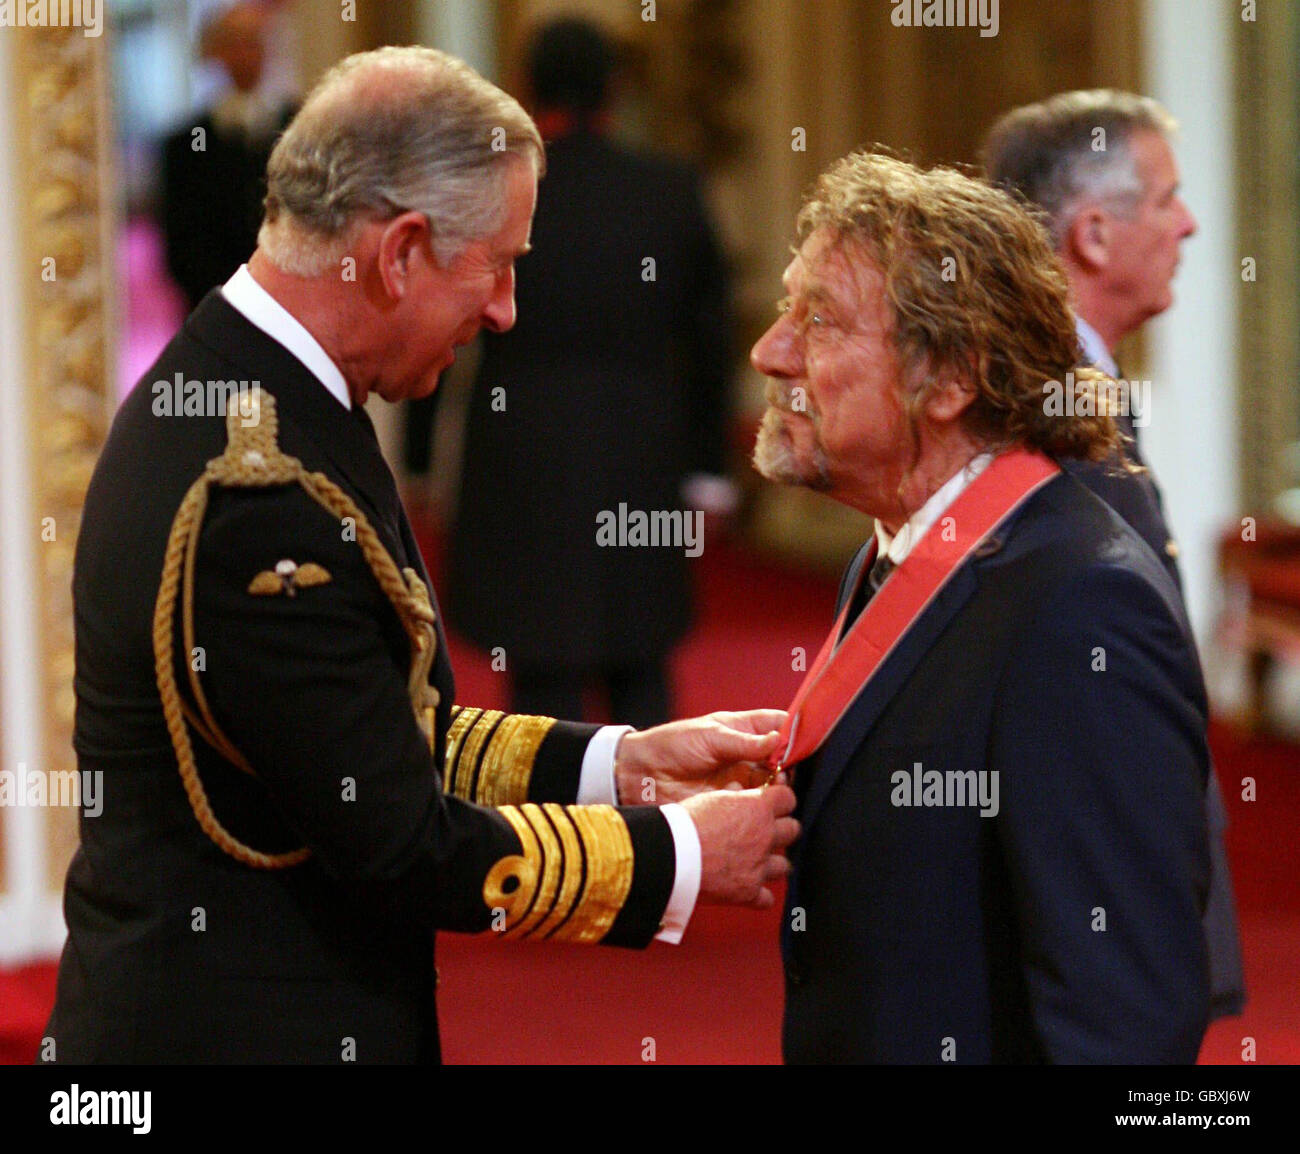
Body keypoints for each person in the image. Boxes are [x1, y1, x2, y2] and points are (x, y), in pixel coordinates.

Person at [43, 46, 797, 1064]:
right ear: (398, 252)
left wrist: (620, 764)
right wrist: (682, 854)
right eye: (499, 264)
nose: (504, 311)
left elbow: (378, 730)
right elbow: (397, 839)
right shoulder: (257, 489)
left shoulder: (273, 401)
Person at [751, 150, 1211, 1063]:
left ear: (953, 378)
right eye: (783, 309)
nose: (771, 352)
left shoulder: (1085, 607)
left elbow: (1126, 1020)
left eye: (820, 321)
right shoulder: (908, 547)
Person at [982, 89, 1246, 1020]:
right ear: (1093, 235)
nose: (1191, 222)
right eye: (1168, 197)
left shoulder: (1064, 384)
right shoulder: (1051, 406)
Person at [448, 17, 735, 728]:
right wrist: (709, 468)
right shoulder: (668, 188)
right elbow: (710, 337)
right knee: (642, 663)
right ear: (615, 88)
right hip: (639, 442)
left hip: (524, 445)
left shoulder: (495, 192)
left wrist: (424, 458)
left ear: (523, 87)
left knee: (541, 673)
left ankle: (552, 838)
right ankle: (658, 833)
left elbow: (449, 319)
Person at [159, 1, 297, 309]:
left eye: (252, 42)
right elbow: (180, 246)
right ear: (212, 52)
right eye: (232, 43)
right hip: (216, 304)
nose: (244, 55)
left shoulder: (300, 128)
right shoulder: (187, 144)